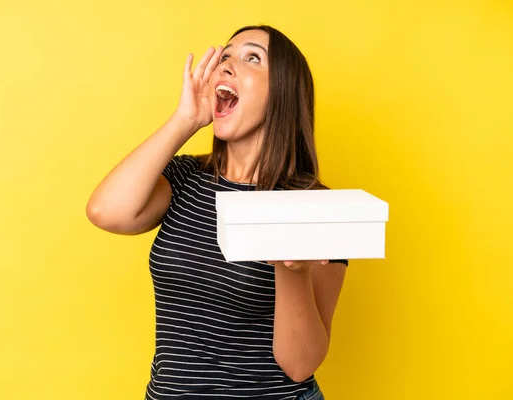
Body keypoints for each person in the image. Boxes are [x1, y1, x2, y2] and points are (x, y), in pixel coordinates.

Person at [87, 25, 348, 400]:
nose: (226, 65)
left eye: (251, 57)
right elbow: (105, 212)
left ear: (284, 93)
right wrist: (185, 121)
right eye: (225, 56)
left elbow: (300, 365)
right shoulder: (183, 177)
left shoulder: (315, 209)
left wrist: (295, 269)